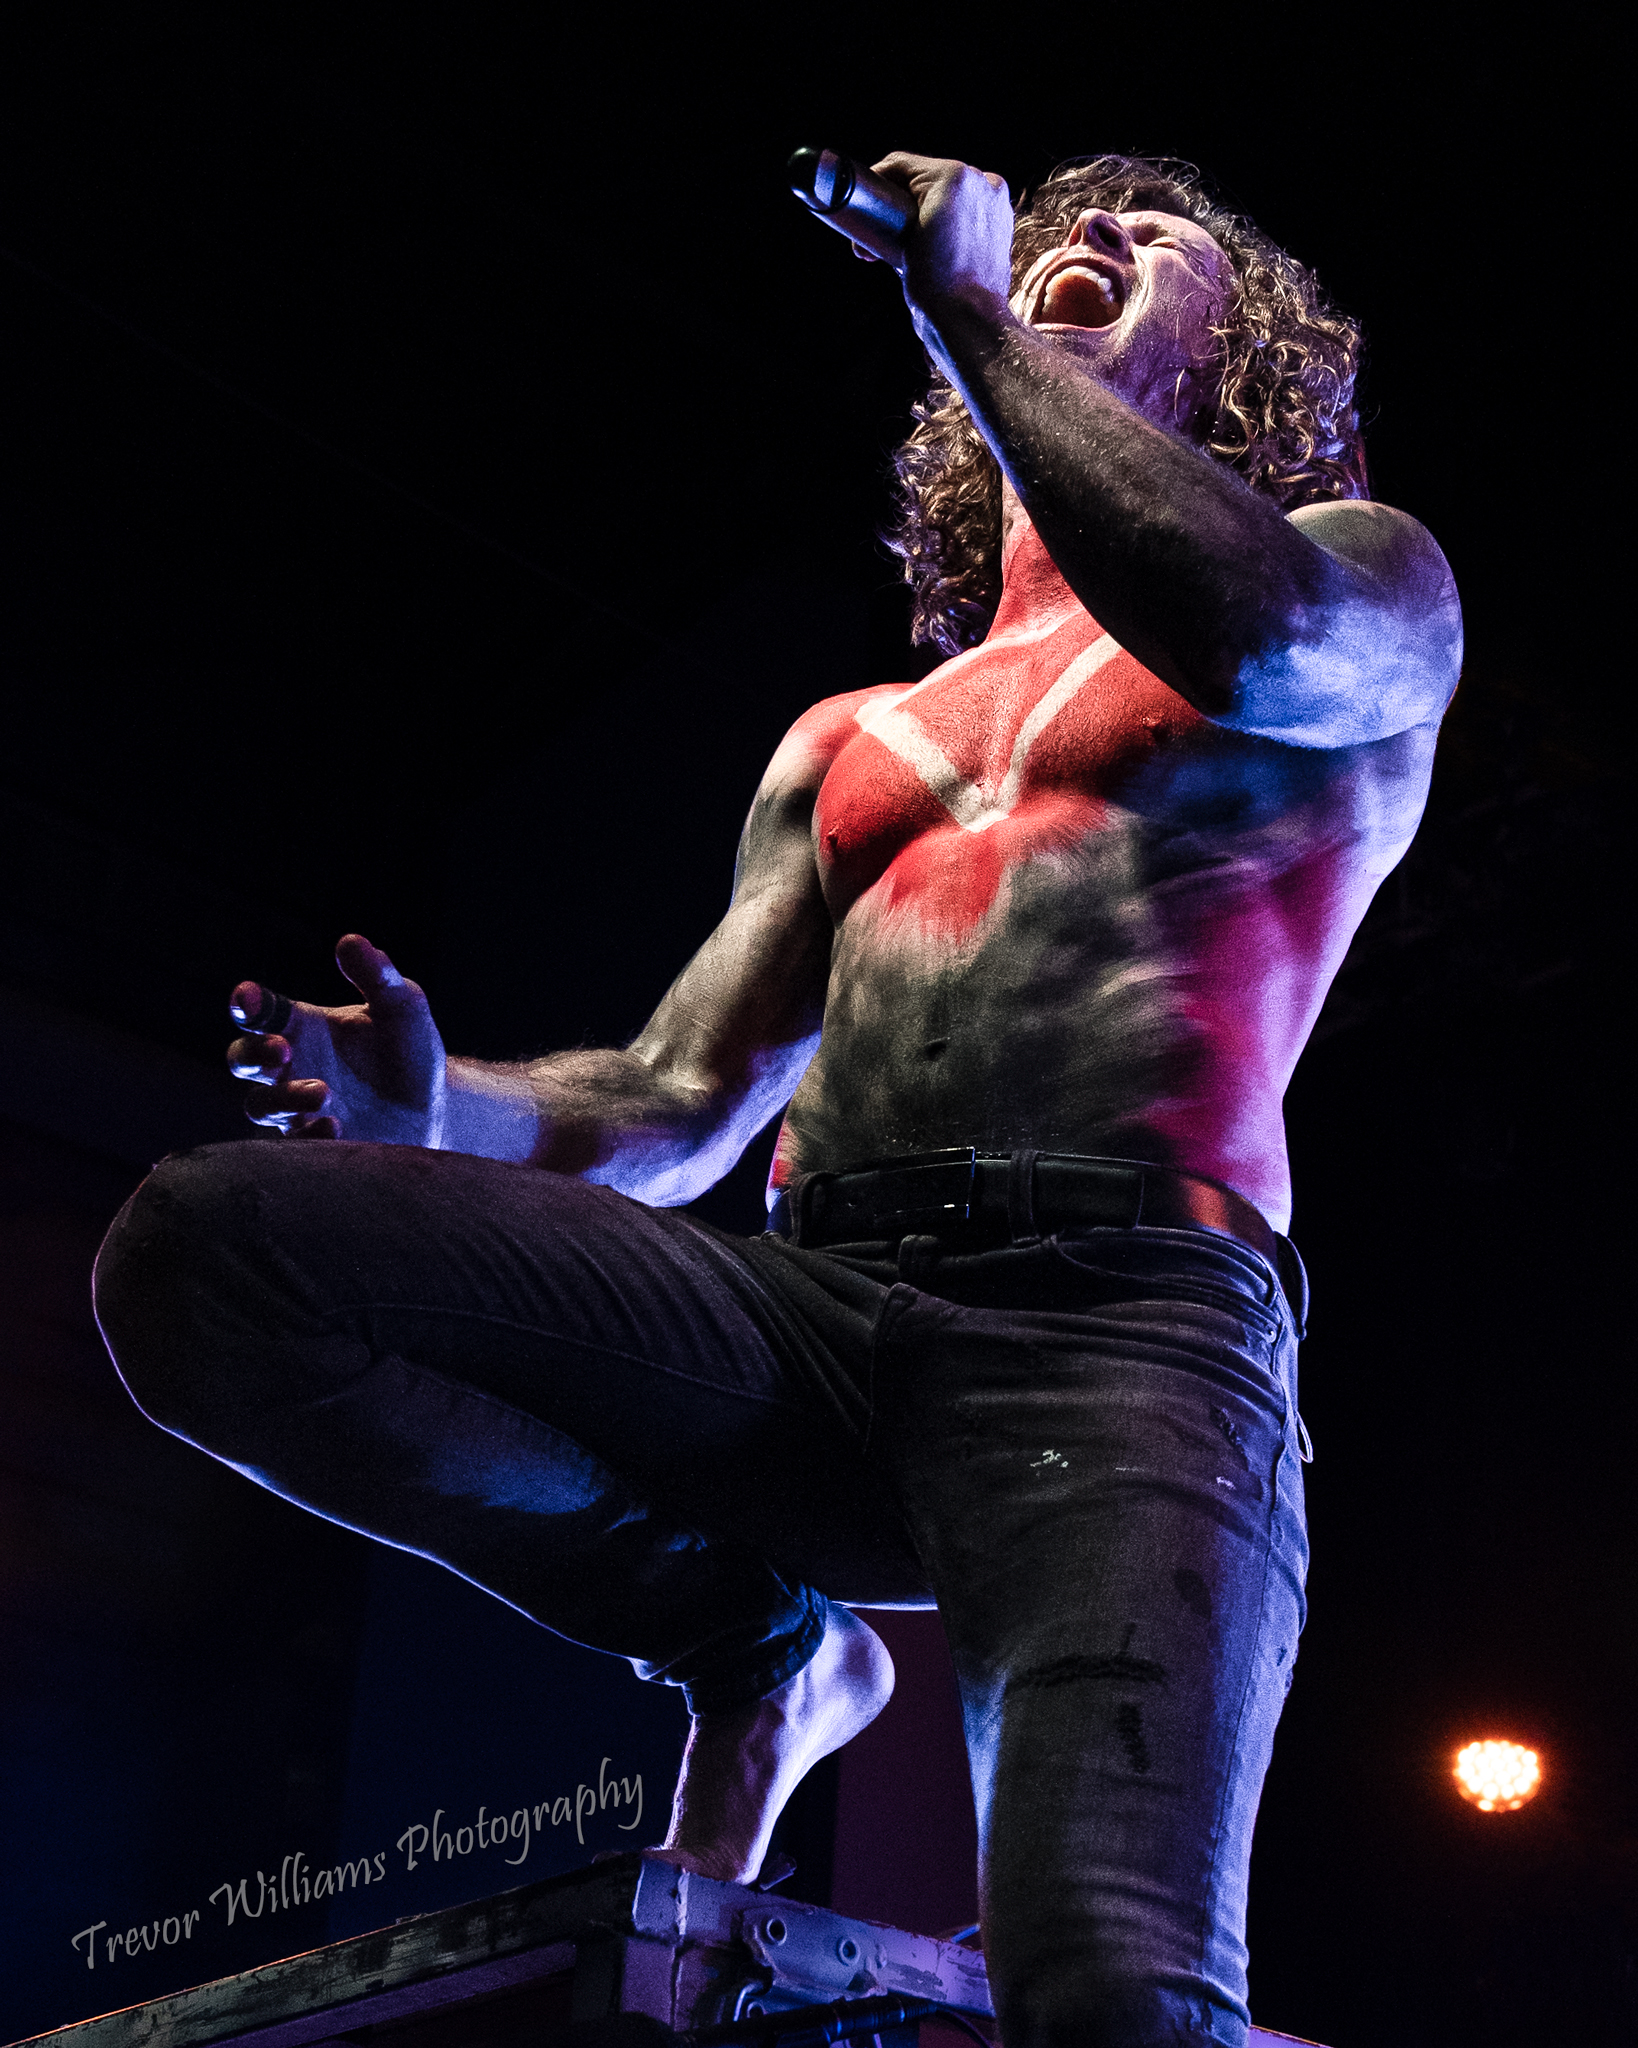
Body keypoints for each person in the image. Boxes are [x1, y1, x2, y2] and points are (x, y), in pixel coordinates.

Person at [93, 151, 1460, 2047]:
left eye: (1155, 242)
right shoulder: (851, 740)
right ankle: (757, 1647)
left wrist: (966, 311)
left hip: (1119, 1343)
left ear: (1245, 364)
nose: (1088, 236)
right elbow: (675, 1097)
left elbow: (1257, 641)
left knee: (1109, 1998)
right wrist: (436, 1110)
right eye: (1057, 231)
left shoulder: (1366, 575)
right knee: (217, 1253)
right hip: (809, 1319)